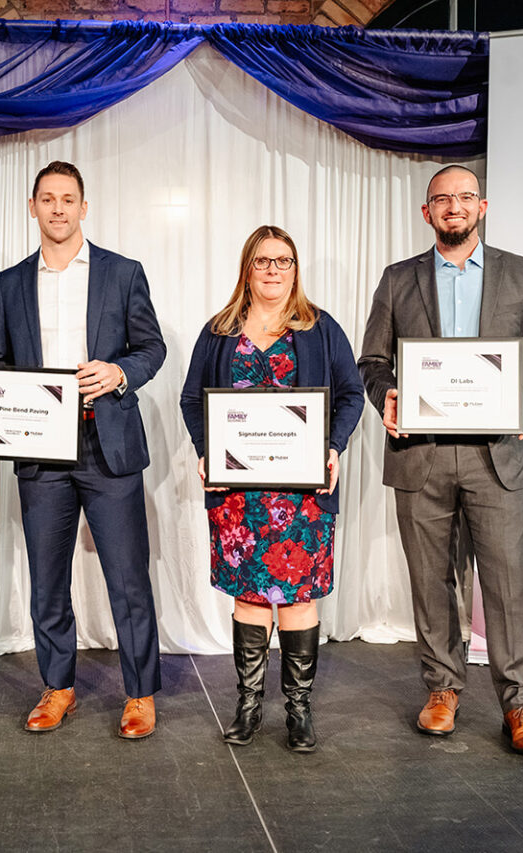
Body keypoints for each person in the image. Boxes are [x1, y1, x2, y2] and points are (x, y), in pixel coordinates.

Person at [358, 165, 523, 756]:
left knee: (505, 583)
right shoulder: (398, 280)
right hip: (420, 454)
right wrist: (387, 395)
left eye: (464, 198)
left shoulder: (520, 273)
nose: (453, 207)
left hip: (496, 454)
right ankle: (443, 689)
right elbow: (373, 361)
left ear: (483, 206)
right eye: (442, 199)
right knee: (431, 581)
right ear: (427, 212)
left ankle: (520, 704)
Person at [0, 161, 166, 739]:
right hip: (40, 450)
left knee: (128, 579)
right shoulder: (10, 283)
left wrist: (118, 371)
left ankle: (140, 693)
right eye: (48, 199)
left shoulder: (122, 272)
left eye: (69, 199)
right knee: (46, 580)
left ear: (84, 208)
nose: (59, 208)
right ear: (33, 207)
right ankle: (57, 686)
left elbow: (151, 347)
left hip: (106, 442)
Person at [180, 225, 364, 752]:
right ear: (247, 267)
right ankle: (248, 704)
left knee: (299, 599)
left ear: (295, 268)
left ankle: (299, 710)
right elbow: (193, 399)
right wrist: (205, 449)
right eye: (263, 261)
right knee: (251, 597)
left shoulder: (319, 328)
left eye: (283, 261)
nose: (273, 270)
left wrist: (332, 446)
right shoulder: (218, 330)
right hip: (239, 495)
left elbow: (350, 393)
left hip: (302, 493)